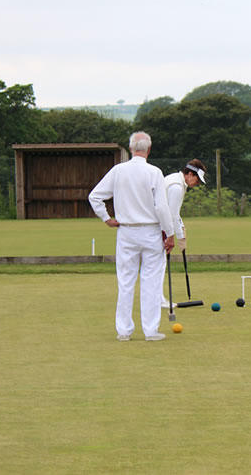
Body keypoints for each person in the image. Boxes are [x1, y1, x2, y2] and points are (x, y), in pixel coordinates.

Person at [88, 131, 175, 342]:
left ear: (130, 148)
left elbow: (95, 196)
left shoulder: (118, 170)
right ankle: (151, 331)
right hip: (151, 231)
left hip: (126, 232)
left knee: (126, 281)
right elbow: (162, 208)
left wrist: (106, 218)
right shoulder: (155, 172)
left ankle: (124, 331)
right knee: (151, 281)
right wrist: (170, 234)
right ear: (149, 149)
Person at [160, 159, 207, 308]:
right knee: (159, 264)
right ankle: (158, 299)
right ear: (190, 174)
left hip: (161, 225)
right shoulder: (176, 187)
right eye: (197, 180)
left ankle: (157, 298)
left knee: (159, 264)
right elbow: (171, 215)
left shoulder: (177, 181)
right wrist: (176, 236)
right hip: (159, 227)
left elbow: (175, 215)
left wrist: (181, 232)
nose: (197, 184)